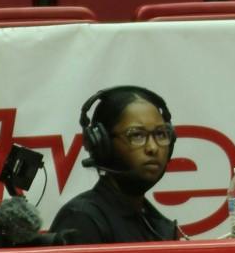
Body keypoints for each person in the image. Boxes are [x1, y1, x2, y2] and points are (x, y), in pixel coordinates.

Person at [50, 86, 184, 244]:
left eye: (161, 134)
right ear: (103, 144)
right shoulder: (82, 220)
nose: (153, 148)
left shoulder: (161, 227)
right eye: (136, 135)